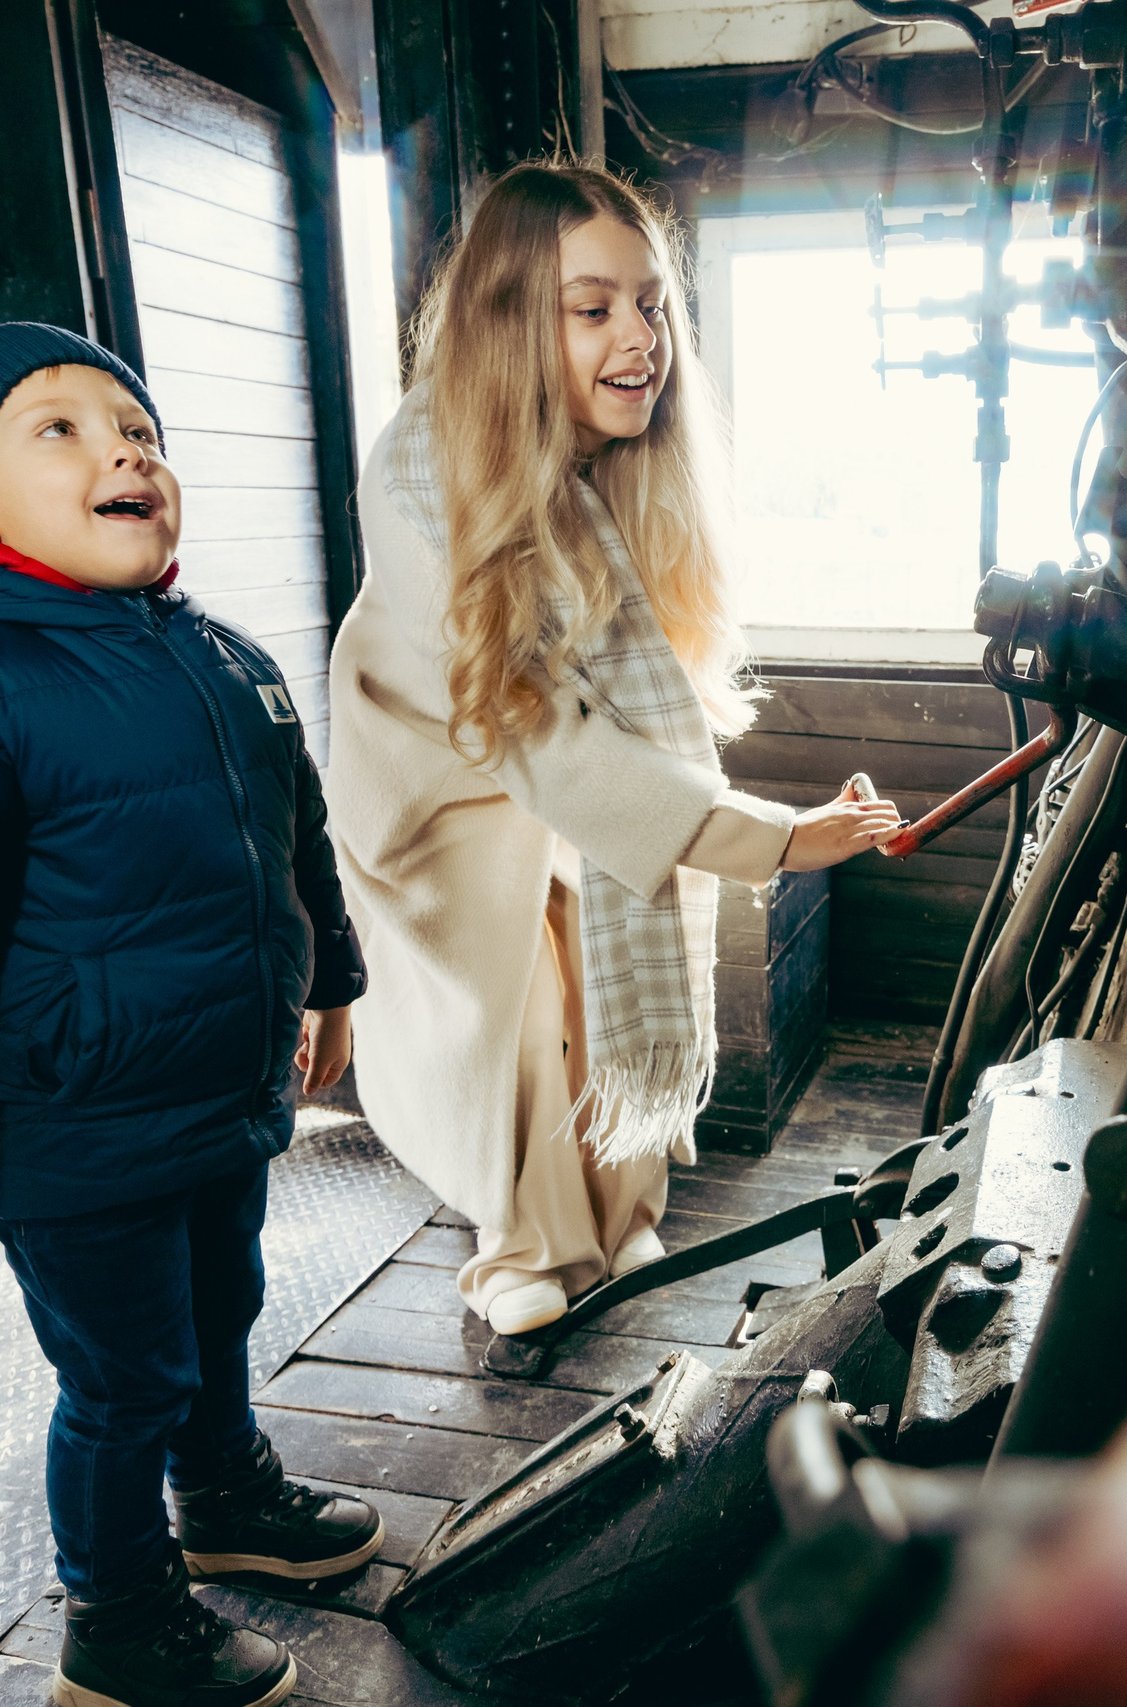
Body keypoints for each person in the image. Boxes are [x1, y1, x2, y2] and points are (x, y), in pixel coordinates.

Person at [0, 322, 379, 1707]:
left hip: (216, 1090)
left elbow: (298, 838)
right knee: (125, 1379)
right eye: (61, 427)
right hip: (68, 1125)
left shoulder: (217, 652)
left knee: (221, 1309)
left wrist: (330, 973)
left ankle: (224, 1494)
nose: (125, 450)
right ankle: (117, 1617)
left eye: (141, 430)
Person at [328, 160, 898, 1338]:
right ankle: (524, 1243)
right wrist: (774, 840)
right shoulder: (423, 467)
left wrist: (730, 829)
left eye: (649, 304)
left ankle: (623, 1199)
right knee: (520, 1007)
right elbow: (535, 733)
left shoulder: (615, 458)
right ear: (507, 323)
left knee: (606, 970)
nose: (639, 338)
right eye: (591, 309)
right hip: (441, 778)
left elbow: (631, 708)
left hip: (555, 762)